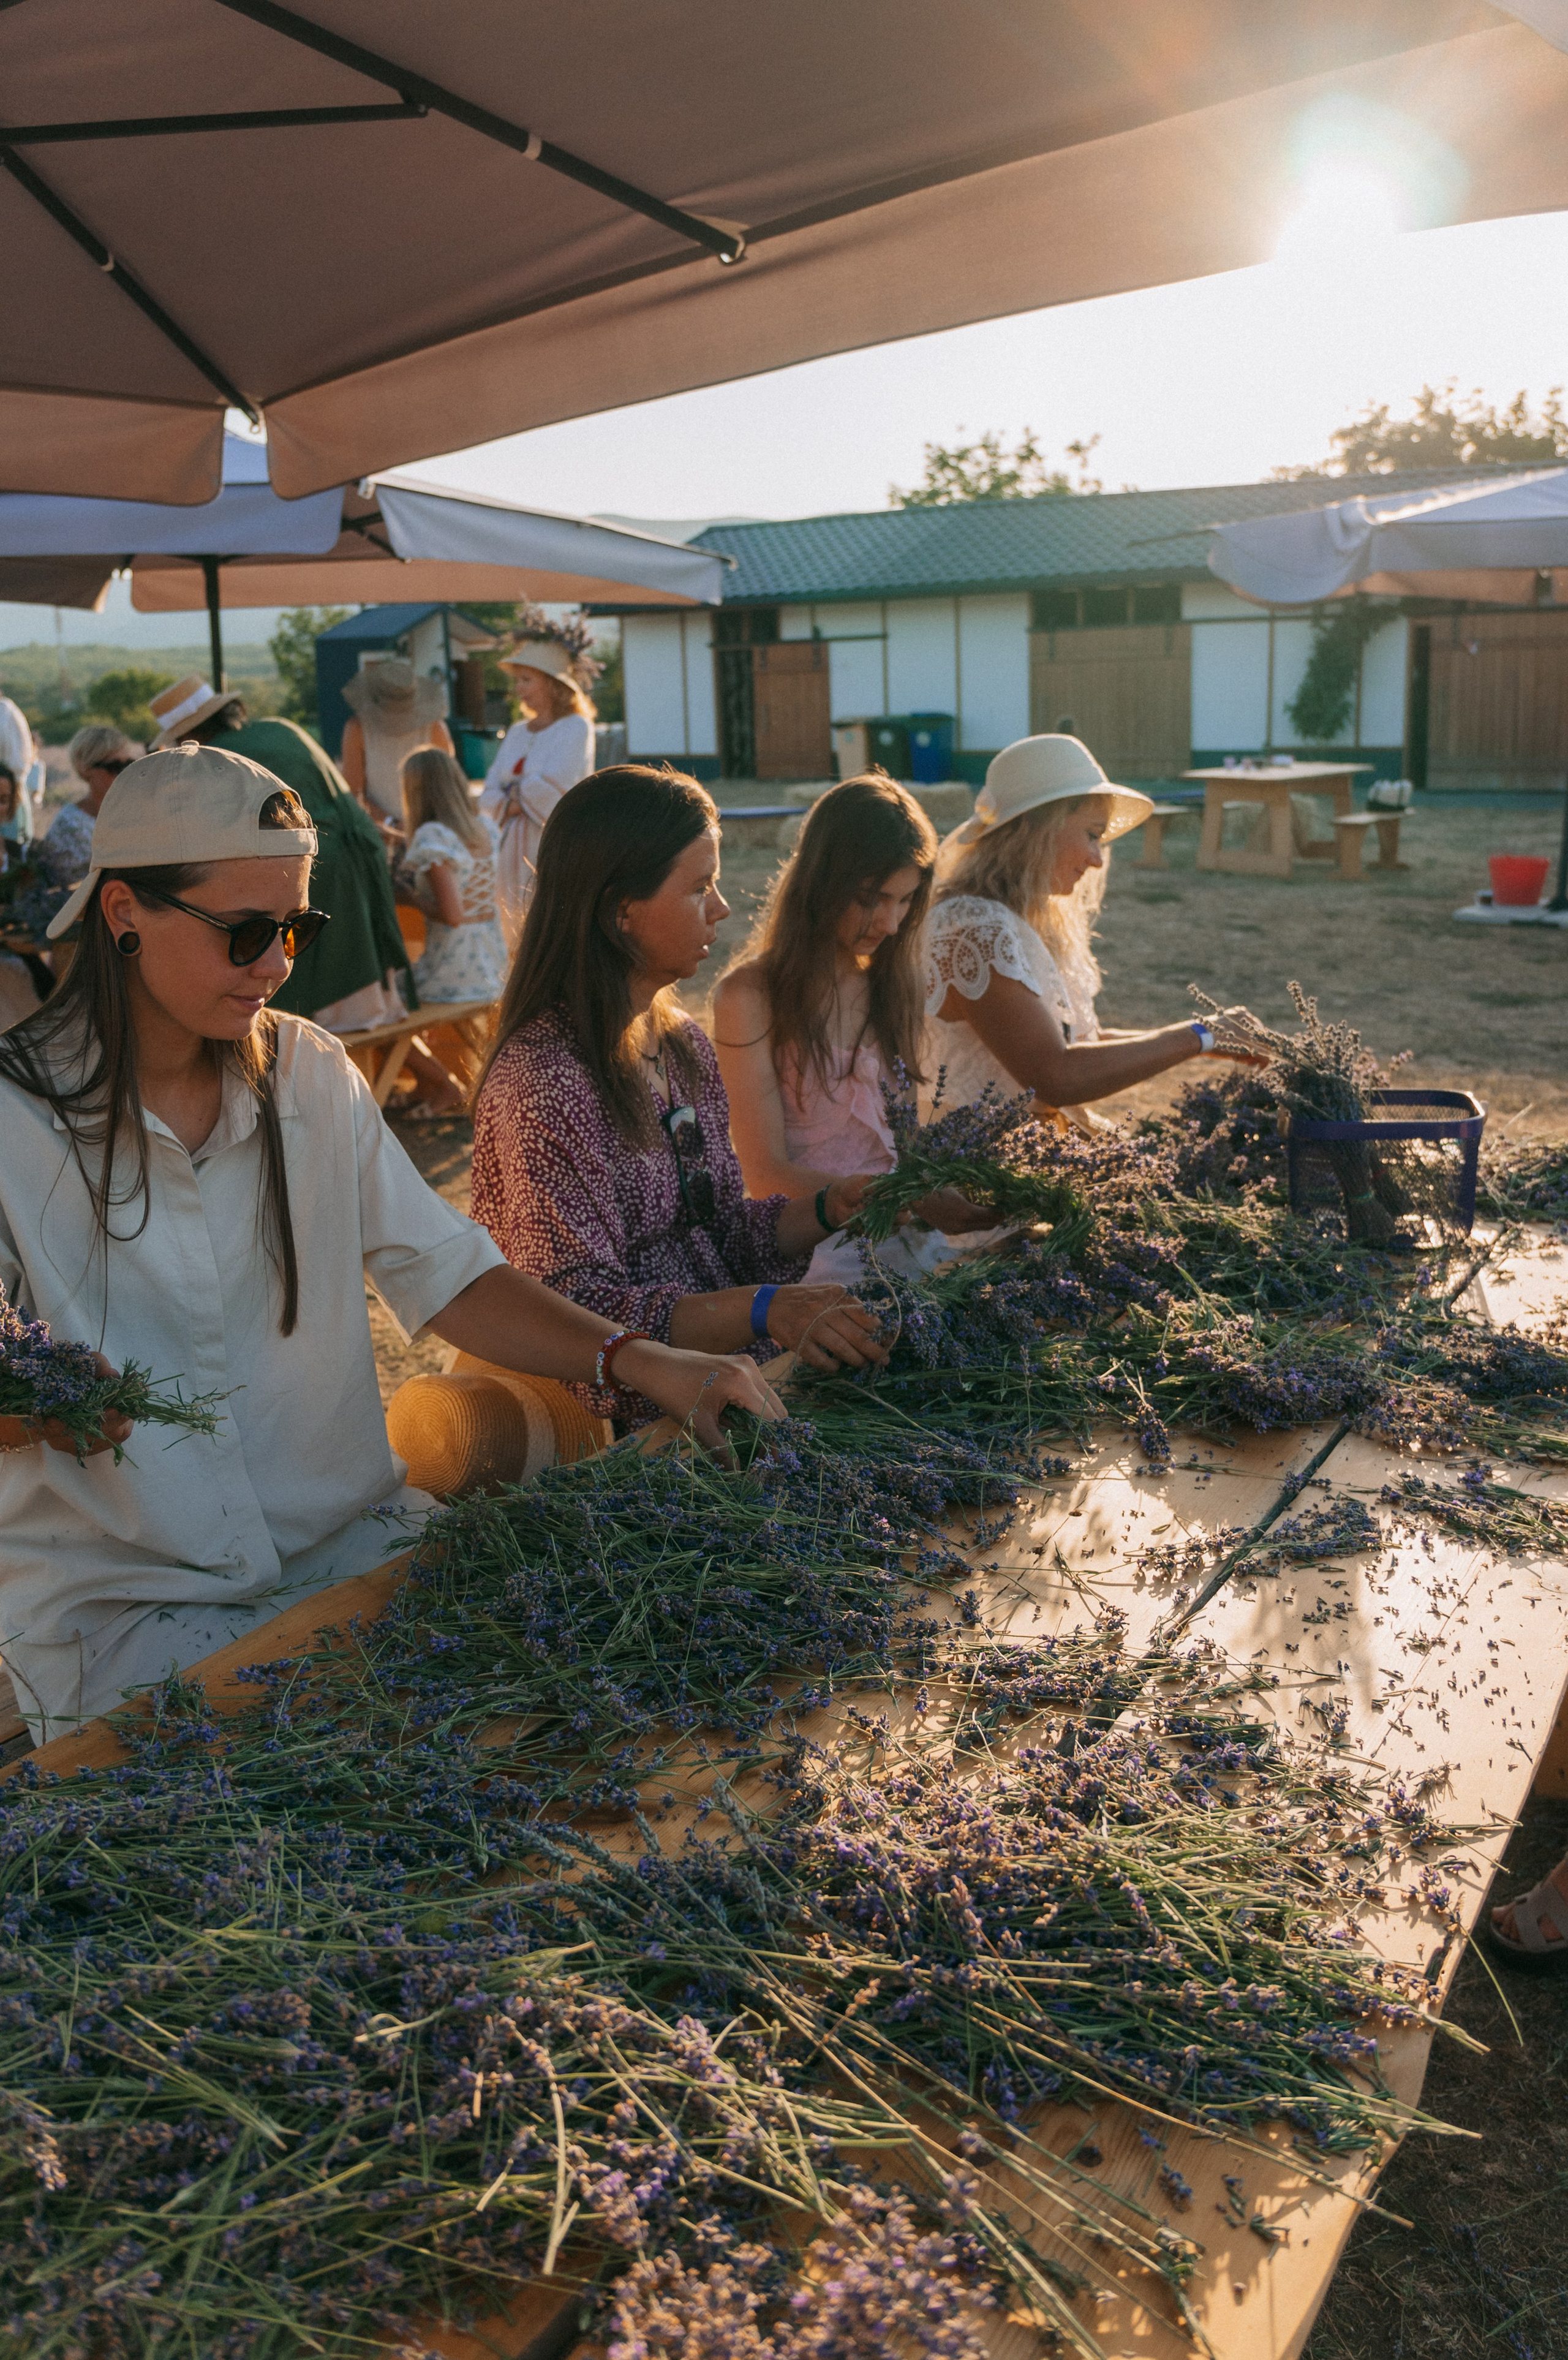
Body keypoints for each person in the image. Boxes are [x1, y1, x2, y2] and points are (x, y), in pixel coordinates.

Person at [0, 744, 781, 1745]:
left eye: (294, 928)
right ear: (123, 916)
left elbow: (448, 1270)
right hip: (127, 1617)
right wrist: (40, 1413)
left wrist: (638, 1358)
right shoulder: (16, 1121)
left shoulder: (310, 1076)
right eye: (245, 932)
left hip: (353, 1554)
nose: (279, 966)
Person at [470, 765, 889, 1429]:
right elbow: (574, 1309)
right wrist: (761, 1308)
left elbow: (720, 1232)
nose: (722, 907)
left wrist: (831, 1205)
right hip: (634, 1418)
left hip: (729, 1382)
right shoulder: (545, 1081)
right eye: (699, 888)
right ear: (620, 911)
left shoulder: (680, 1045)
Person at [712, 773, 989, 1281]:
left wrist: (947, 1188)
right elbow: (765, 1172)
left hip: (902, 1236)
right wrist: (899, 1198)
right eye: (872, 899)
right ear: (823, 879)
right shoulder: (749, 997)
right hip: (810, 1251)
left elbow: (902, 1145)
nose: (890, 923)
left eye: (905, 902)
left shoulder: (893, 985)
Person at [924, 734, 1261, 1122]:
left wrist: (1209, 1036)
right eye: (1092, 835)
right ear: (1040, 827)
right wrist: (1201, 1037)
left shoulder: (1012, 919)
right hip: (966, 1168)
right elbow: (1056, 1075)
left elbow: (1083, 1043)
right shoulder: (972, 928)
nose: (1098, 860)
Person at [151, 676, 413, 1034]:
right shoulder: (279, 727)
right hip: (361, 846)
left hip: (308, 862)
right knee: (365, 981)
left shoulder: (215, 758)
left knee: (321, 993)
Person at [393, 746, 507, 1118]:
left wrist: (408, 898)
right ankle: (431, 1083)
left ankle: (438, 1082)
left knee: (376, 1005)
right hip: (490, 961)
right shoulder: (484, 827)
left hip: (455, 968)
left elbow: (453, 915)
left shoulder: (434, 836)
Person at [480, 622, 598, 949]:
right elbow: (488, 793)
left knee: (550, 927)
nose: (519, 688)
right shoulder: (517, 731)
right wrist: (519, 791)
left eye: (527, 680)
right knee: (511, 930)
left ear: (553, 684)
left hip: (551, 844)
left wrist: (513, 792)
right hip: (508, 851)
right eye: (517, 680)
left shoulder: (576, 728)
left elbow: (558, 789)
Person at [339, 655, 456, 823]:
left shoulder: (435, 729)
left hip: (427, 829)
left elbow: (448, 791)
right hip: (377, 832)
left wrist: (421, 828)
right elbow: (355, 794)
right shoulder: (357, 729)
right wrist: (391, 823)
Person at [38, 724, 135, 887]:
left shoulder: (132, 812)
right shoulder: (71, 825)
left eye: (129, 765)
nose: (123, 773)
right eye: (114, 767)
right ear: (86, 769)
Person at [0, 694, 35, 846]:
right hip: (11, 785)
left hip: (9, 787)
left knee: (12, 847)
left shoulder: (5, 713)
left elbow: (16, 762)